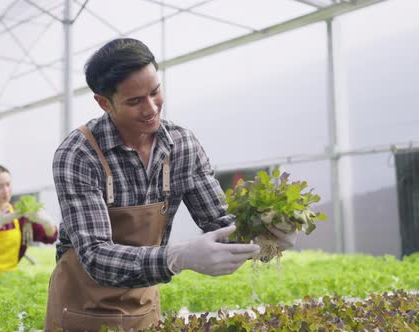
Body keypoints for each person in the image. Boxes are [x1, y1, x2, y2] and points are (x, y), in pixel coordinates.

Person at [45, 38, 297, 331]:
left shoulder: (181, 146)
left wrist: (266, 239)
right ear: (104, 102)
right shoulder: (78, 154)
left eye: (155, 92)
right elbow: (96, 256)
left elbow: (221, 223)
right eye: (135, 101)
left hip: (143, 308)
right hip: (80, 309)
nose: (151, 108)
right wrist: (178, 257)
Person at [0, 165, 58, 274]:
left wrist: (47, 223)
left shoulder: (19, 214)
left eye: (8, 185)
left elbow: (49, 238)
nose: (6, 191)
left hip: (11, 278)